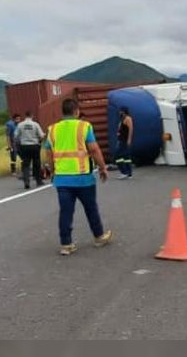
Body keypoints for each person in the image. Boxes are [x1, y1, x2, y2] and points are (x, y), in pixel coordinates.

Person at [44, 98, 112, 255]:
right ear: (76, 111)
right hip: (83, 178)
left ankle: (66, 244)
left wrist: (52, 170)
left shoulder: (52, 129)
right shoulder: (84, 126)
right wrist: (103, 167)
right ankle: (99, 237)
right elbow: (94, 149)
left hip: (62, 179)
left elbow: (48, 152)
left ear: (63, 112)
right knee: (91, 208)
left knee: (65, 211)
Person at [14, 111, 45, 189]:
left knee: (25, 165)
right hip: (34, 146)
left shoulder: (20, 125)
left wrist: (20, 142)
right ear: (32, 115)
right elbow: (41, 135)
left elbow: (15, 136)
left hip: (24, 146)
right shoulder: (35, 124)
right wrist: (39, 141)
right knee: (36, 163)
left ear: (25, 116)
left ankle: (26, 182)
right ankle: (38, 181)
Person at [115, 106, 134, 180]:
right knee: (126, 157)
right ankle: (129, 173)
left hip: (124, 140)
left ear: (124, 111)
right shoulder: (122, 119)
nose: (119, 112)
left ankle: (124, 172)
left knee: (117, 156)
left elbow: (131, 129)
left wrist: (129, 139)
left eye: (120, 111)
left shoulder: (128, 119)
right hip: (121, 139)